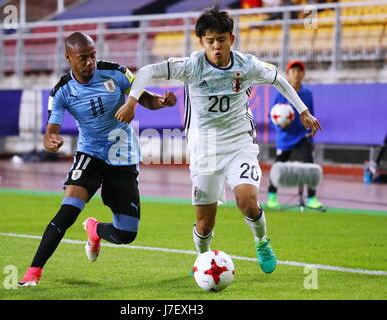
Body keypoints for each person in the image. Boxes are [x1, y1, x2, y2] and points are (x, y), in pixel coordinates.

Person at [116, 7, 321, 274]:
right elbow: (145, 71)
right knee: (205, 224)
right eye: (210, 41)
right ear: (201, 42)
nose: (216, 46)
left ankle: (262, 242)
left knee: (247, 201)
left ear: (231, 39)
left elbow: (278, 80)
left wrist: (303, 110)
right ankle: (203, 261)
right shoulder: (191, 66)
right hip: (205, 149)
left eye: (222, 40)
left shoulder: (246, 65)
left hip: (239, 143)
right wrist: (132, 102)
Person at [18, 32, 177, 286]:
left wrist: (162, 102)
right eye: (83, 58)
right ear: (68, 58)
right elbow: (50, 132)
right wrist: (51, 142)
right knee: (68, 211)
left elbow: (146, 98)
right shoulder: (61, 91)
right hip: (90, 153)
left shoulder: (115, 72)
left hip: (122, 156)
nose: (90, 62)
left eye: (92, 56)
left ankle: (94, 229)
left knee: (126, 234)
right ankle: (33, 271)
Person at [267, 60, 323, 209]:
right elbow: (272, 116)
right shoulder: (281, 93)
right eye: (293, 71)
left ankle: (312, 198)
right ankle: (272, 196)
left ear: (303, 74)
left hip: (301, 136)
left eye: (299, 71)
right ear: (288, 74)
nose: (296, 74)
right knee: (279, 165)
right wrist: (280, 126)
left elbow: (310, 114)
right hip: (285, 137)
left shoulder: (307, 94)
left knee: (309, 163)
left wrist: (311, 131)